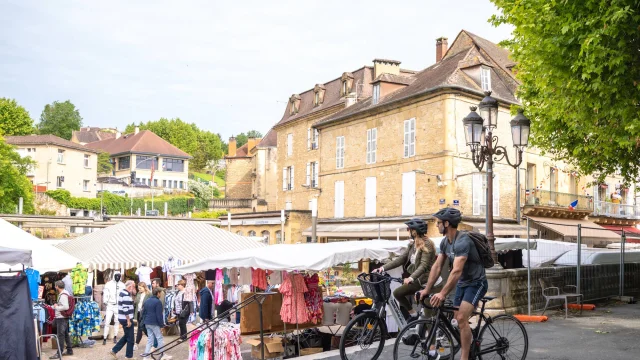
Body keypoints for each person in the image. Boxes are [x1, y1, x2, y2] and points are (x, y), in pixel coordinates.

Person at [420, 208, 488, 360]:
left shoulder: (463, 241)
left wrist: (442, 293)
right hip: (463, 284)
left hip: (477, 283)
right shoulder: (445, 242)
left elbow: (456, 270)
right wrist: (427, 289)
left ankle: (465, 357)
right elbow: (437, 267)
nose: (437, 225)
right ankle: (470, 340)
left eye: (438, 223)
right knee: (457, 319)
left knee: (462, 318)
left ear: (447, 223)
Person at [373, 217, 437, 321]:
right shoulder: (412, 244)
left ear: (414, 231)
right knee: (398, 293)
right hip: (417, 279)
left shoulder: (427, 244)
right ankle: (413, 314)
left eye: (409, 229)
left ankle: (430, 331)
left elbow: (423, 265)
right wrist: (382, 268)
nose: (408, 231)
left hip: (427, 281)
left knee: (428, 317)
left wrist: (411, 278)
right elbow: (401, 259)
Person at [109, 280, 136, 359]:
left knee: (127, 336)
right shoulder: (126, 295)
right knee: (130, 338)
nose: (134, 288)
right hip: (126, 319)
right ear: (130, 286)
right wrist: (128, 320)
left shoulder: (123, 293)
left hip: (122, 318)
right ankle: (128, 356)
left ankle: (114, 350)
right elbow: (125, 308)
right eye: (133, 286)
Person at [141, 287, 167, 359]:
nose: (161, 295)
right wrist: (161, 325)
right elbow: (159, 315)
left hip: (147, 322)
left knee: (150, 339)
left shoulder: (147, 300)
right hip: (154, 323)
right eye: (160, 293)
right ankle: (162, 354)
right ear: (158, 293)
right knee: (159, 338)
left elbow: (143, 312)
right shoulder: (158, 302)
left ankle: (146, 357)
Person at [50, 280, 73, 359]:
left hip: (61, 318)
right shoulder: (65, 293)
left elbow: (65, 307)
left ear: (57, 286)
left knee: (60, 335)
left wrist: (56, 307)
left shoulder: (63, 295)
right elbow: (62, 305)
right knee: (65, 334)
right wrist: (53, 307)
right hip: (63, 317)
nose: (55, 287)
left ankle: (59, 353)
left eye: (55, 286)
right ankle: (69, 350)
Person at [103, 272, 125, 345]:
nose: (117, 277)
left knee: (117, 321)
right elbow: (105, 293)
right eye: (116, 276)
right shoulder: (108, 284)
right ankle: (105, 337)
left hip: (118, 305)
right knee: (107, 321)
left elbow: (123, 294)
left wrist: (122, 303)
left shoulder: (122, 285)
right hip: (110, 304)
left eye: (119, 276)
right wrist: (105, 301)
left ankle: (115, 336)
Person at [134, 282, 151, 350]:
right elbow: (136, 303)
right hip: (139, 312)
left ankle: (137, 343)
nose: (139, 289)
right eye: (138, 288)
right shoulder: (138, 294)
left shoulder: (149, 294)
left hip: (145, 313)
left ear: (144, 287)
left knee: (143, 328)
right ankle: (137, 343)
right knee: (140, 328)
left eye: (140, 288)